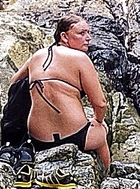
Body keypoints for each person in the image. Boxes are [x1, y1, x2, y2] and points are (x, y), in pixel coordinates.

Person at [13, 14, 110, 171]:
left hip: (38, 139)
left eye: (88, 33)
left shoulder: (37, 56)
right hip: (76, 136)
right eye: (81, 33)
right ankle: (107, 175)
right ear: (64, 36)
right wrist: (98, 120)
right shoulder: (80, 58)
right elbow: (100, 104)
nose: (88, 38)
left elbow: (14, 83)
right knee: (102, 129)